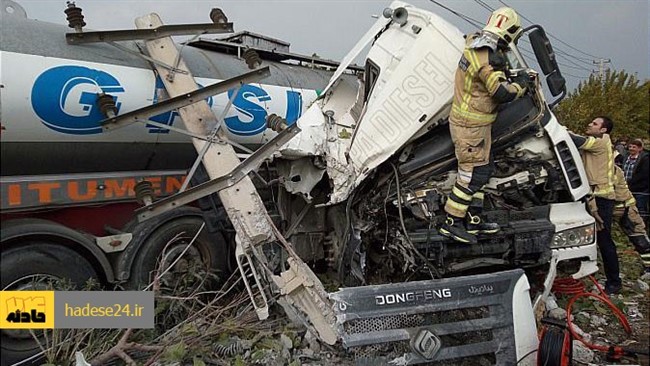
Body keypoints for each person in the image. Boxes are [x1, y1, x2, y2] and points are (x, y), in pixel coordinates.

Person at [439, 7, 527, 244]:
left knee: (483, 172)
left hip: (477, 126)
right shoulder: (487, 54)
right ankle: (452, 222)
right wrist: (521, 85)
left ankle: (474, 220)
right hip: (471, 127)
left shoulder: (475, 42)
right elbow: (500, 92)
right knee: (471, 177)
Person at [570, 116, 622, 294]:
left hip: (601, 200)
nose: (589, 124)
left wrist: (557, 128)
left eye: (594, 124)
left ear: (603, 130)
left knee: (604, 240)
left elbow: (576, 140)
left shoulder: (601, 143)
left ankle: (614, 282)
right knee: (590, 237)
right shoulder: (598, 142)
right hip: (592, 197)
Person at [612, 160, 650, 273]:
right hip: (615, 209)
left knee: (639, 237)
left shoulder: (612, 170)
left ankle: (648, 266)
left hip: (626, 208)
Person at [623, 139, 649, 220]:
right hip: (627, 188)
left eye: (634, 147)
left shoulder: (645, 159)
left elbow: (643, 174)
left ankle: (642, 228)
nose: (631, 148)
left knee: (640, 210)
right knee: (629, 209)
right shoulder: (626, 157)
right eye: (630, 146)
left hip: (640, 190)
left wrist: (632, 182)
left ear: (640, 149)